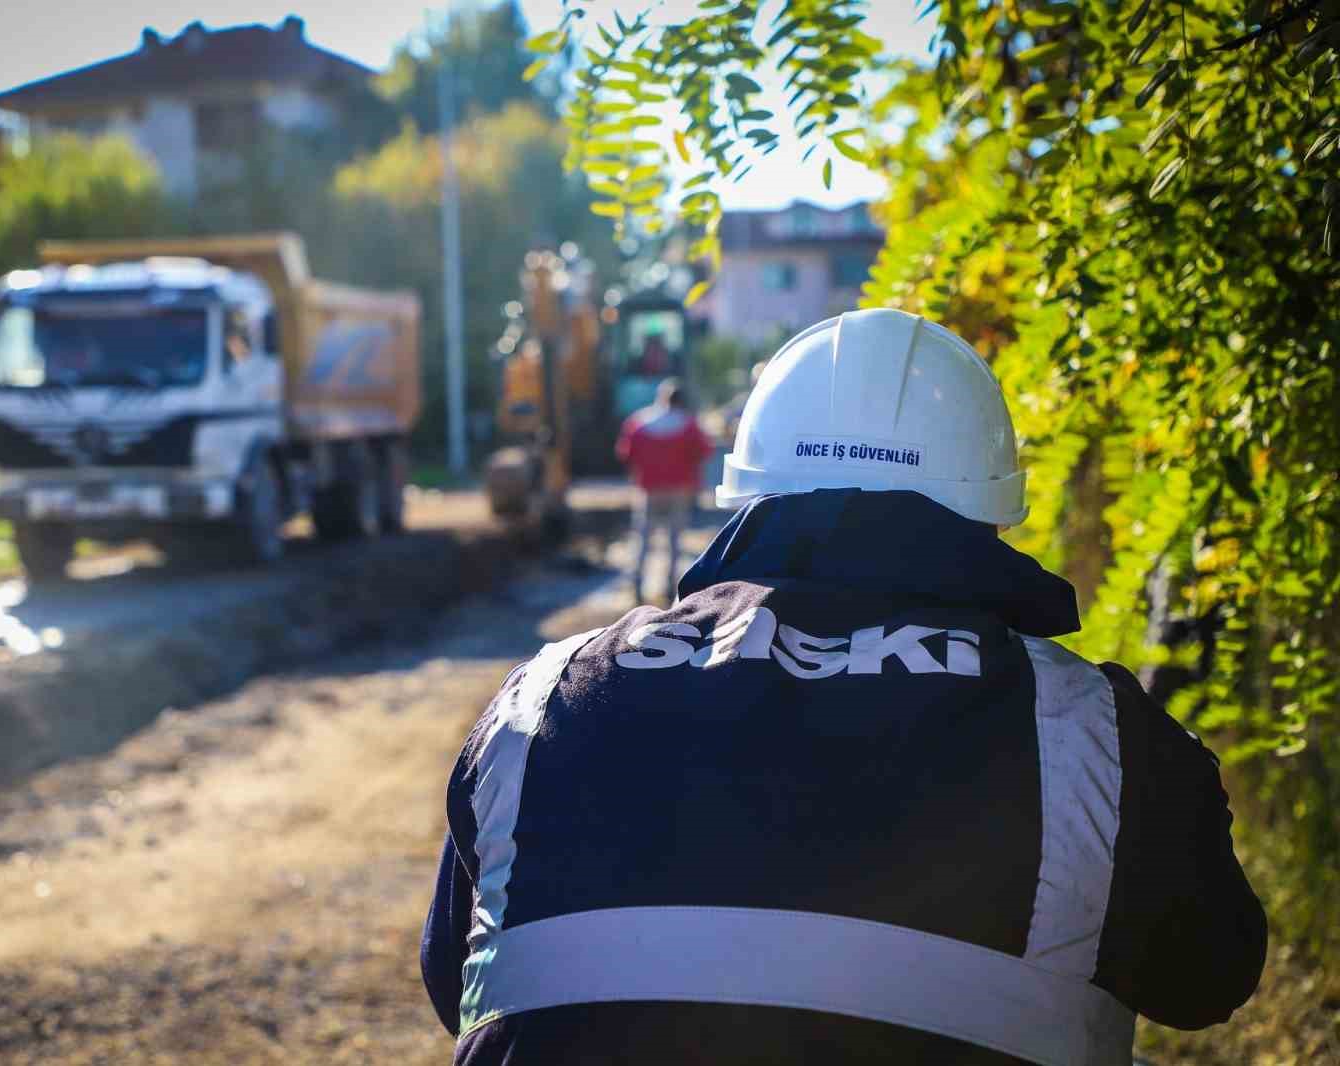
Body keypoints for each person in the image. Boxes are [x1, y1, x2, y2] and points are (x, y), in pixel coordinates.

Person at [420, 309, 1266, 1066]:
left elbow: (456, 981)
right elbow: (1207, 977)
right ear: (993, 514)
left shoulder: (544, 699)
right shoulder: (1094, 735)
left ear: (749, 495)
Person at [615, 377, 713, 604]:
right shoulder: (688, 424)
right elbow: (704, 452)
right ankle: (670, 586)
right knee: (674, 540)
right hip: (679, 489)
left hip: (648, 488)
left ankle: (637, 584)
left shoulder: (639, 422)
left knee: (643, 538)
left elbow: (625, 453)